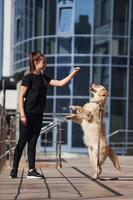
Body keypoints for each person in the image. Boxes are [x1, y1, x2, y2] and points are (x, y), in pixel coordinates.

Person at [10, 52, 80, 178]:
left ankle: (31, 170)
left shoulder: (44, 78)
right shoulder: (28, 78)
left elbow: (60, 83)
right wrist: (23, 115)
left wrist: (73, 74)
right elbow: (21, 97)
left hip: (38, 116)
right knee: (22, 142)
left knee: (32, 143)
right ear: (36, 63)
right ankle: (14, 169)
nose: (45, 64)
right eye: (44, 62)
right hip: (27, 115)